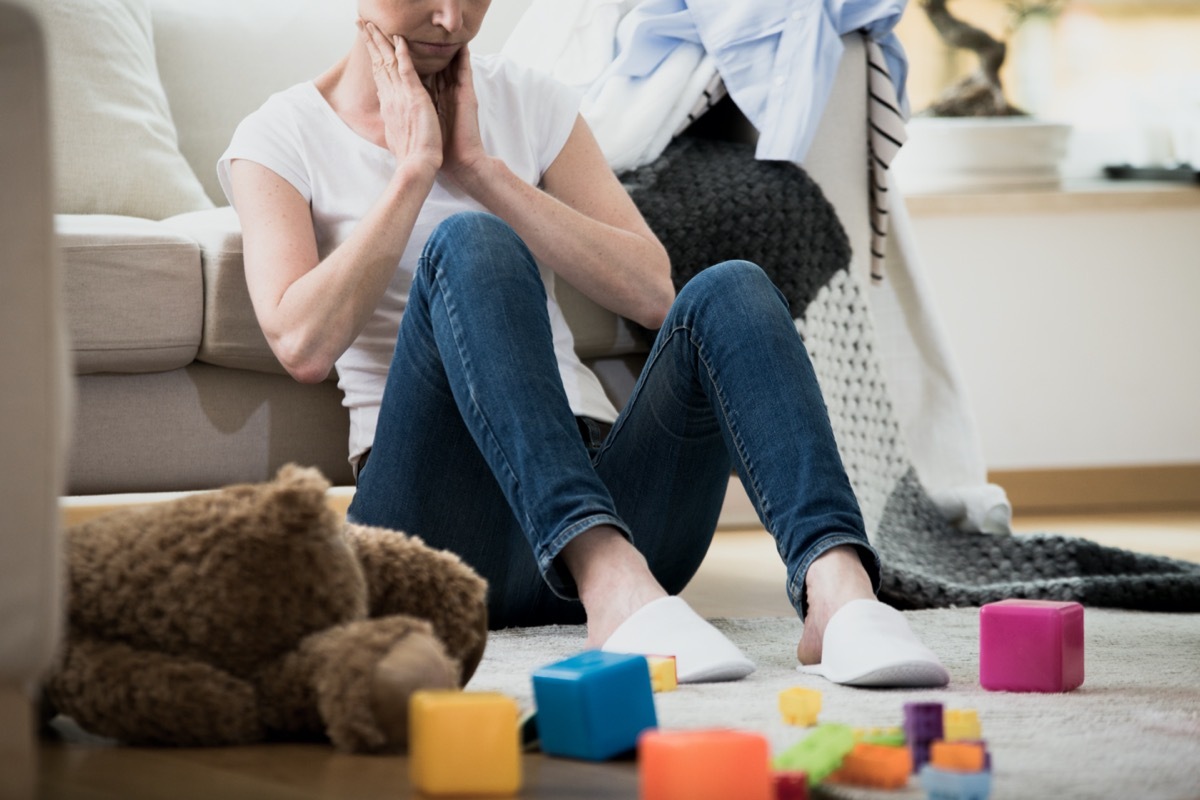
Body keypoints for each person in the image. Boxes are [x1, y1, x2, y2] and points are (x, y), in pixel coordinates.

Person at [219, 0, 947, 686]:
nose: (452, 19)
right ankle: (607, 578)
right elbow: (301, 342)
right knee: (470, 243)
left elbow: (652, 289)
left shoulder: (530, 100)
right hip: (432, 534)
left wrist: (482, 171)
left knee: (732, 285)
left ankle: (839, 589)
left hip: (612, 492)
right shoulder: (280, 135)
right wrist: (414, 173)